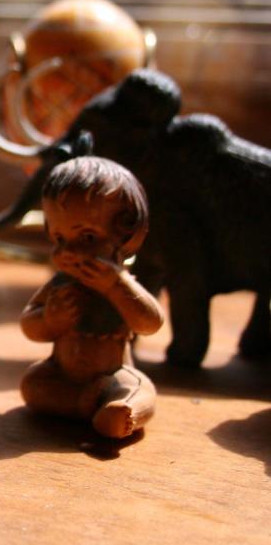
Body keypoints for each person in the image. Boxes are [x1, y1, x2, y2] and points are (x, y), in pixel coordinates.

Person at [20, 156, 164, 439]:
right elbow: (29, 323)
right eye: (60, 239)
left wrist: (115, 286)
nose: (70, 252)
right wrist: (49, 319)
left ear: (126, 234)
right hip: (60, 373)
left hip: (113, 375)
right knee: (32, 384)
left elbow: (150, 323)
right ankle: (86, 404)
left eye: (87, 238)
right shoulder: (61, 285)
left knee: (139, 389)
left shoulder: (121, 285)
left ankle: (121, 411)